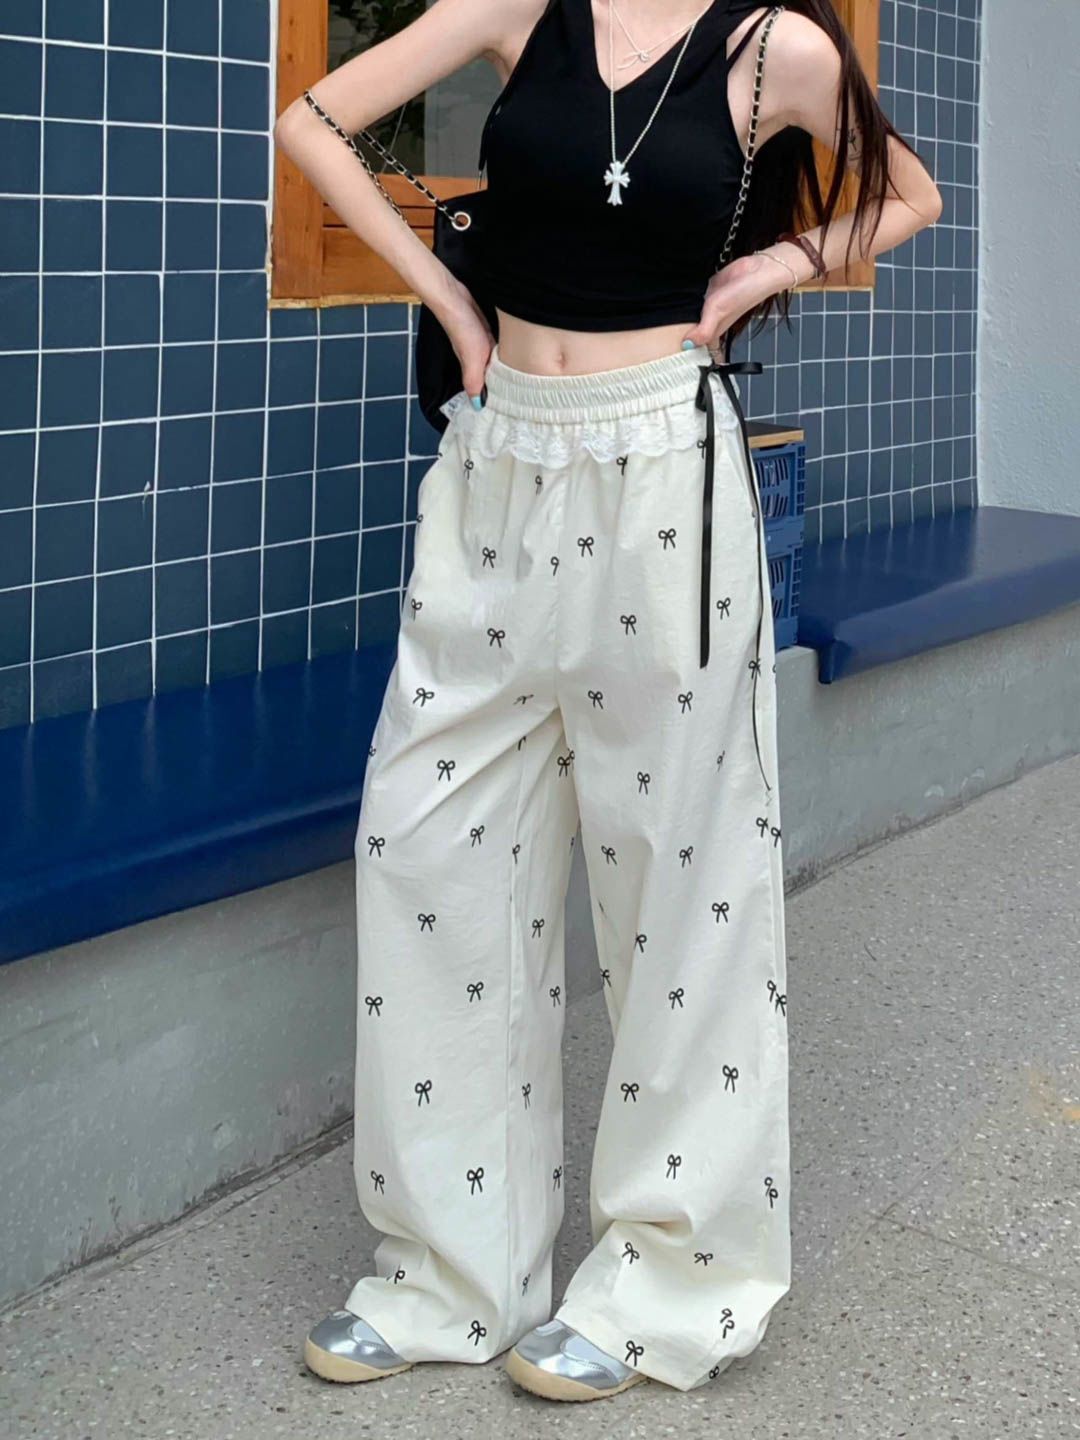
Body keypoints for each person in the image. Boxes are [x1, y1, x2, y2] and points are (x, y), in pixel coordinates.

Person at [273, 0, 942, 1403]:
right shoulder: (520, 4)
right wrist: (449, 299)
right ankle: (452, 1275)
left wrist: (766, 267)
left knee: (682, 885)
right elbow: (312, 121)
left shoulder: (776, 51)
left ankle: (668, 1284)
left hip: (663, 475)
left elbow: (907, 194)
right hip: (499, 462)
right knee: (425, 846)